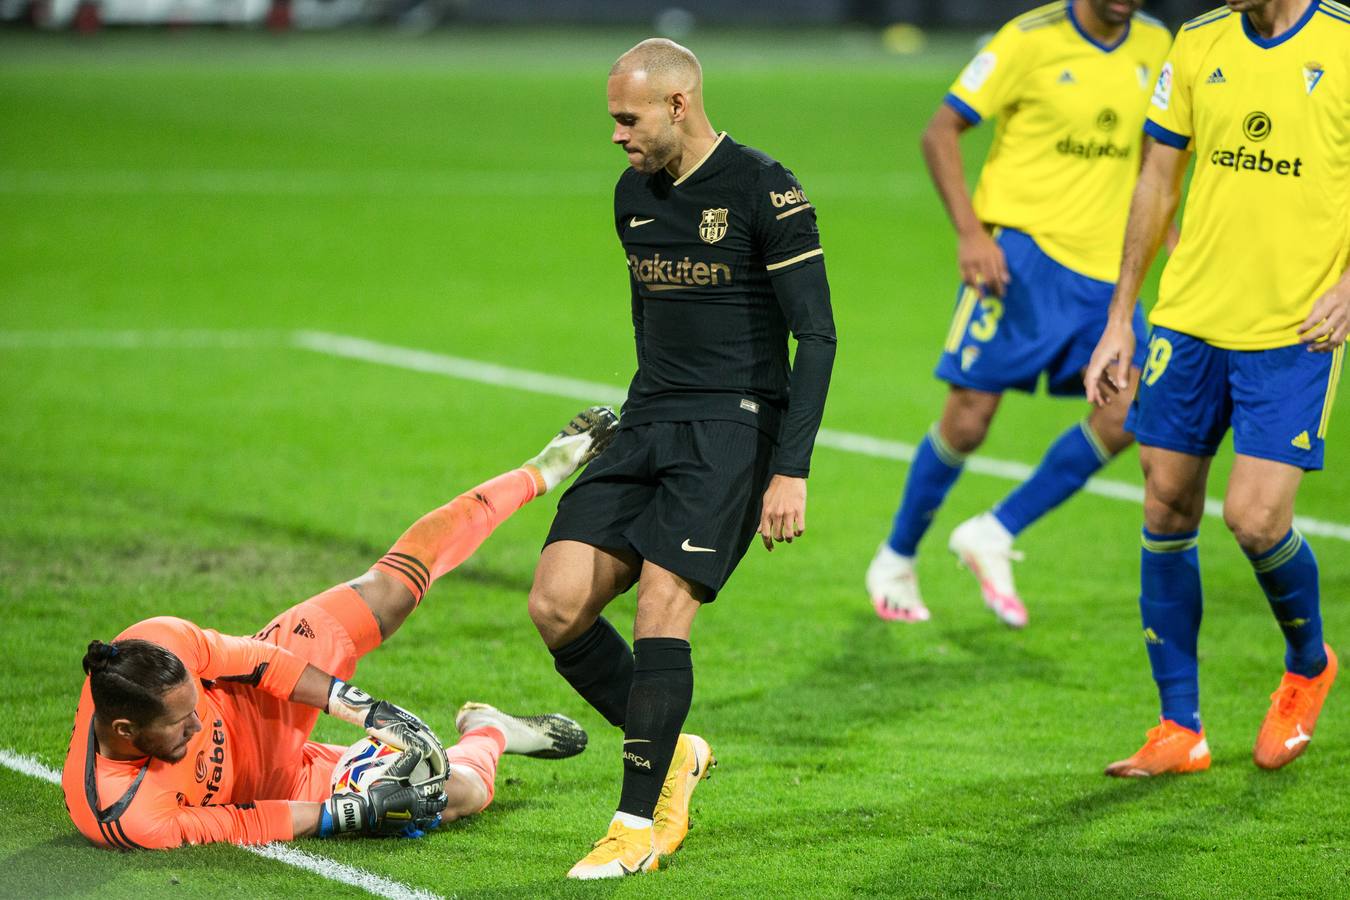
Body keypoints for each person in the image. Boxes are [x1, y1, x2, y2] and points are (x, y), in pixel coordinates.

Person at [525, 38, 836, 879]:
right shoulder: (632, 196)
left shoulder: (766, 188)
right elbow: (651, 322)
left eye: (627, 118)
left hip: (733, 428)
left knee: (663, 604)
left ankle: (635, 825)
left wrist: (790, 467)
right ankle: (674, 748)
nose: (617, 136)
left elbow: (817, 335)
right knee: (556, 605)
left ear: (678, 104)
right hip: (650, 417)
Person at [62, 408, 617, 848]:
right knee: (450, 796)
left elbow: (260, 662)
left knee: (390, 593)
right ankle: (490, 730)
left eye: (193, 710)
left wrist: (366, 710)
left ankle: (538, 471)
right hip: (281, 785)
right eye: (183, 725)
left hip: (261, 698)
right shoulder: (123, 814)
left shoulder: (158, 645)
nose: (196, 727)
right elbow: (242, 824)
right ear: (127, 732)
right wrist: (342, 815)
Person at [1085, 0, 1348, 775]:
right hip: (1190, 319)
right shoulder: (1198, 43)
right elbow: (1157, 176)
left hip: (1295, 330)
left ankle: (1309, 664)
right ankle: (1180, 728)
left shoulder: (1341, 42)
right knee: (1165, 502)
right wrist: (1121, 317)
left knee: (1256, 518)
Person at [865, 0, 1172, 628]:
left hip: (1105, 275)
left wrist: (1165, 239)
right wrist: (972, 234)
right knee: (970, 419)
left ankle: (997, 530)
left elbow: (1154, 151)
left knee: (1129, 408)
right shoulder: (1027, 40)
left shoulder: (1156, 44)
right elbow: (940, 130)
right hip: (1019, 260)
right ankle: (896, 557)